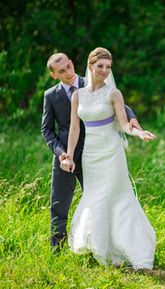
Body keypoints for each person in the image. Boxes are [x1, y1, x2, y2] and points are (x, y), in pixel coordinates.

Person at [60, 47, 156, 269]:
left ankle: (133, 249)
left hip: (112, 152)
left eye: (108, 67)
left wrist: (139, 132)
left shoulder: (114, 94)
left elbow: (124, 124)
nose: (104, 70)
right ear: (90, 66)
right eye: (100, 66)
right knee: (95, 197)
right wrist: (70, 156)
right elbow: (75, 129)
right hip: (90, 154)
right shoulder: (78, 95)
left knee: (117, 198)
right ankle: (99, 247)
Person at [41, 52, 142, 251]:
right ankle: (57, 250)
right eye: (61, 71)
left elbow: (118, 103)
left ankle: (107, 245)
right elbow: (46, 130)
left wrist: (132, 119)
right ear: (54, 75)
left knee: (101, 200)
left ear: (71, 63)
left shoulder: (91, 81)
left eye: (68, 66)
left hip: (93, 154)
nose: (68, 72)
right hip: (66, 155)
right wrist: (61, 153)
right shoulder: (50, 96)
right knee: (59, 203)